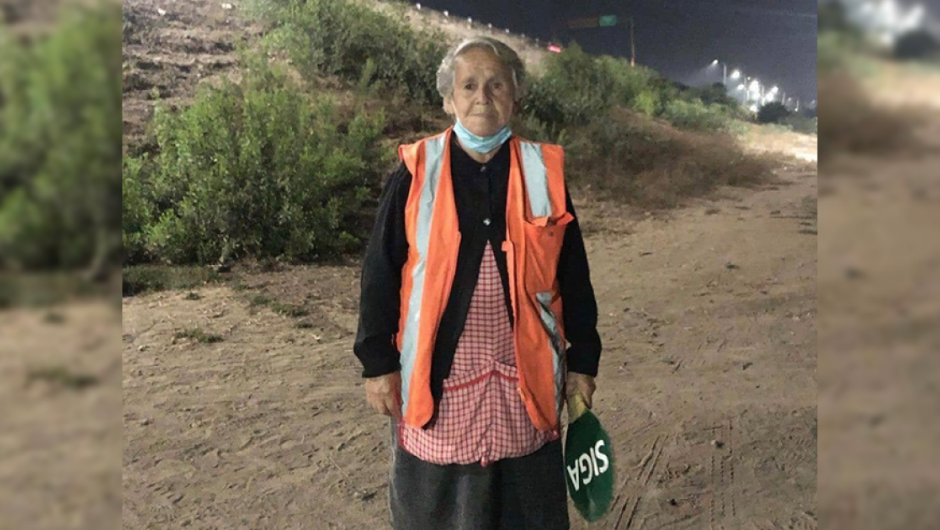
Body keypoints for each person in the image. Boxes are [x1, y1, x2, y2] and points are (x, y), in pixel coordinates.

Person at [353, 36, 602, 530]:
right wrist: (377, 362)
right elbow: (380, 269)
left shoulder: (543, 170)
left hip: (524, 380)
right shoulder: (416, 169)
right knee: (437, 510)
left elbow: (572, 274)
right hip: (439, 382)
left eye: (496, 84)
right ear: (449, 99)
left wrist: (583, 361)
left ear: (516, 94)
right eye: (468, 85)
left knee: (527, 507)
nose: (482, 97)